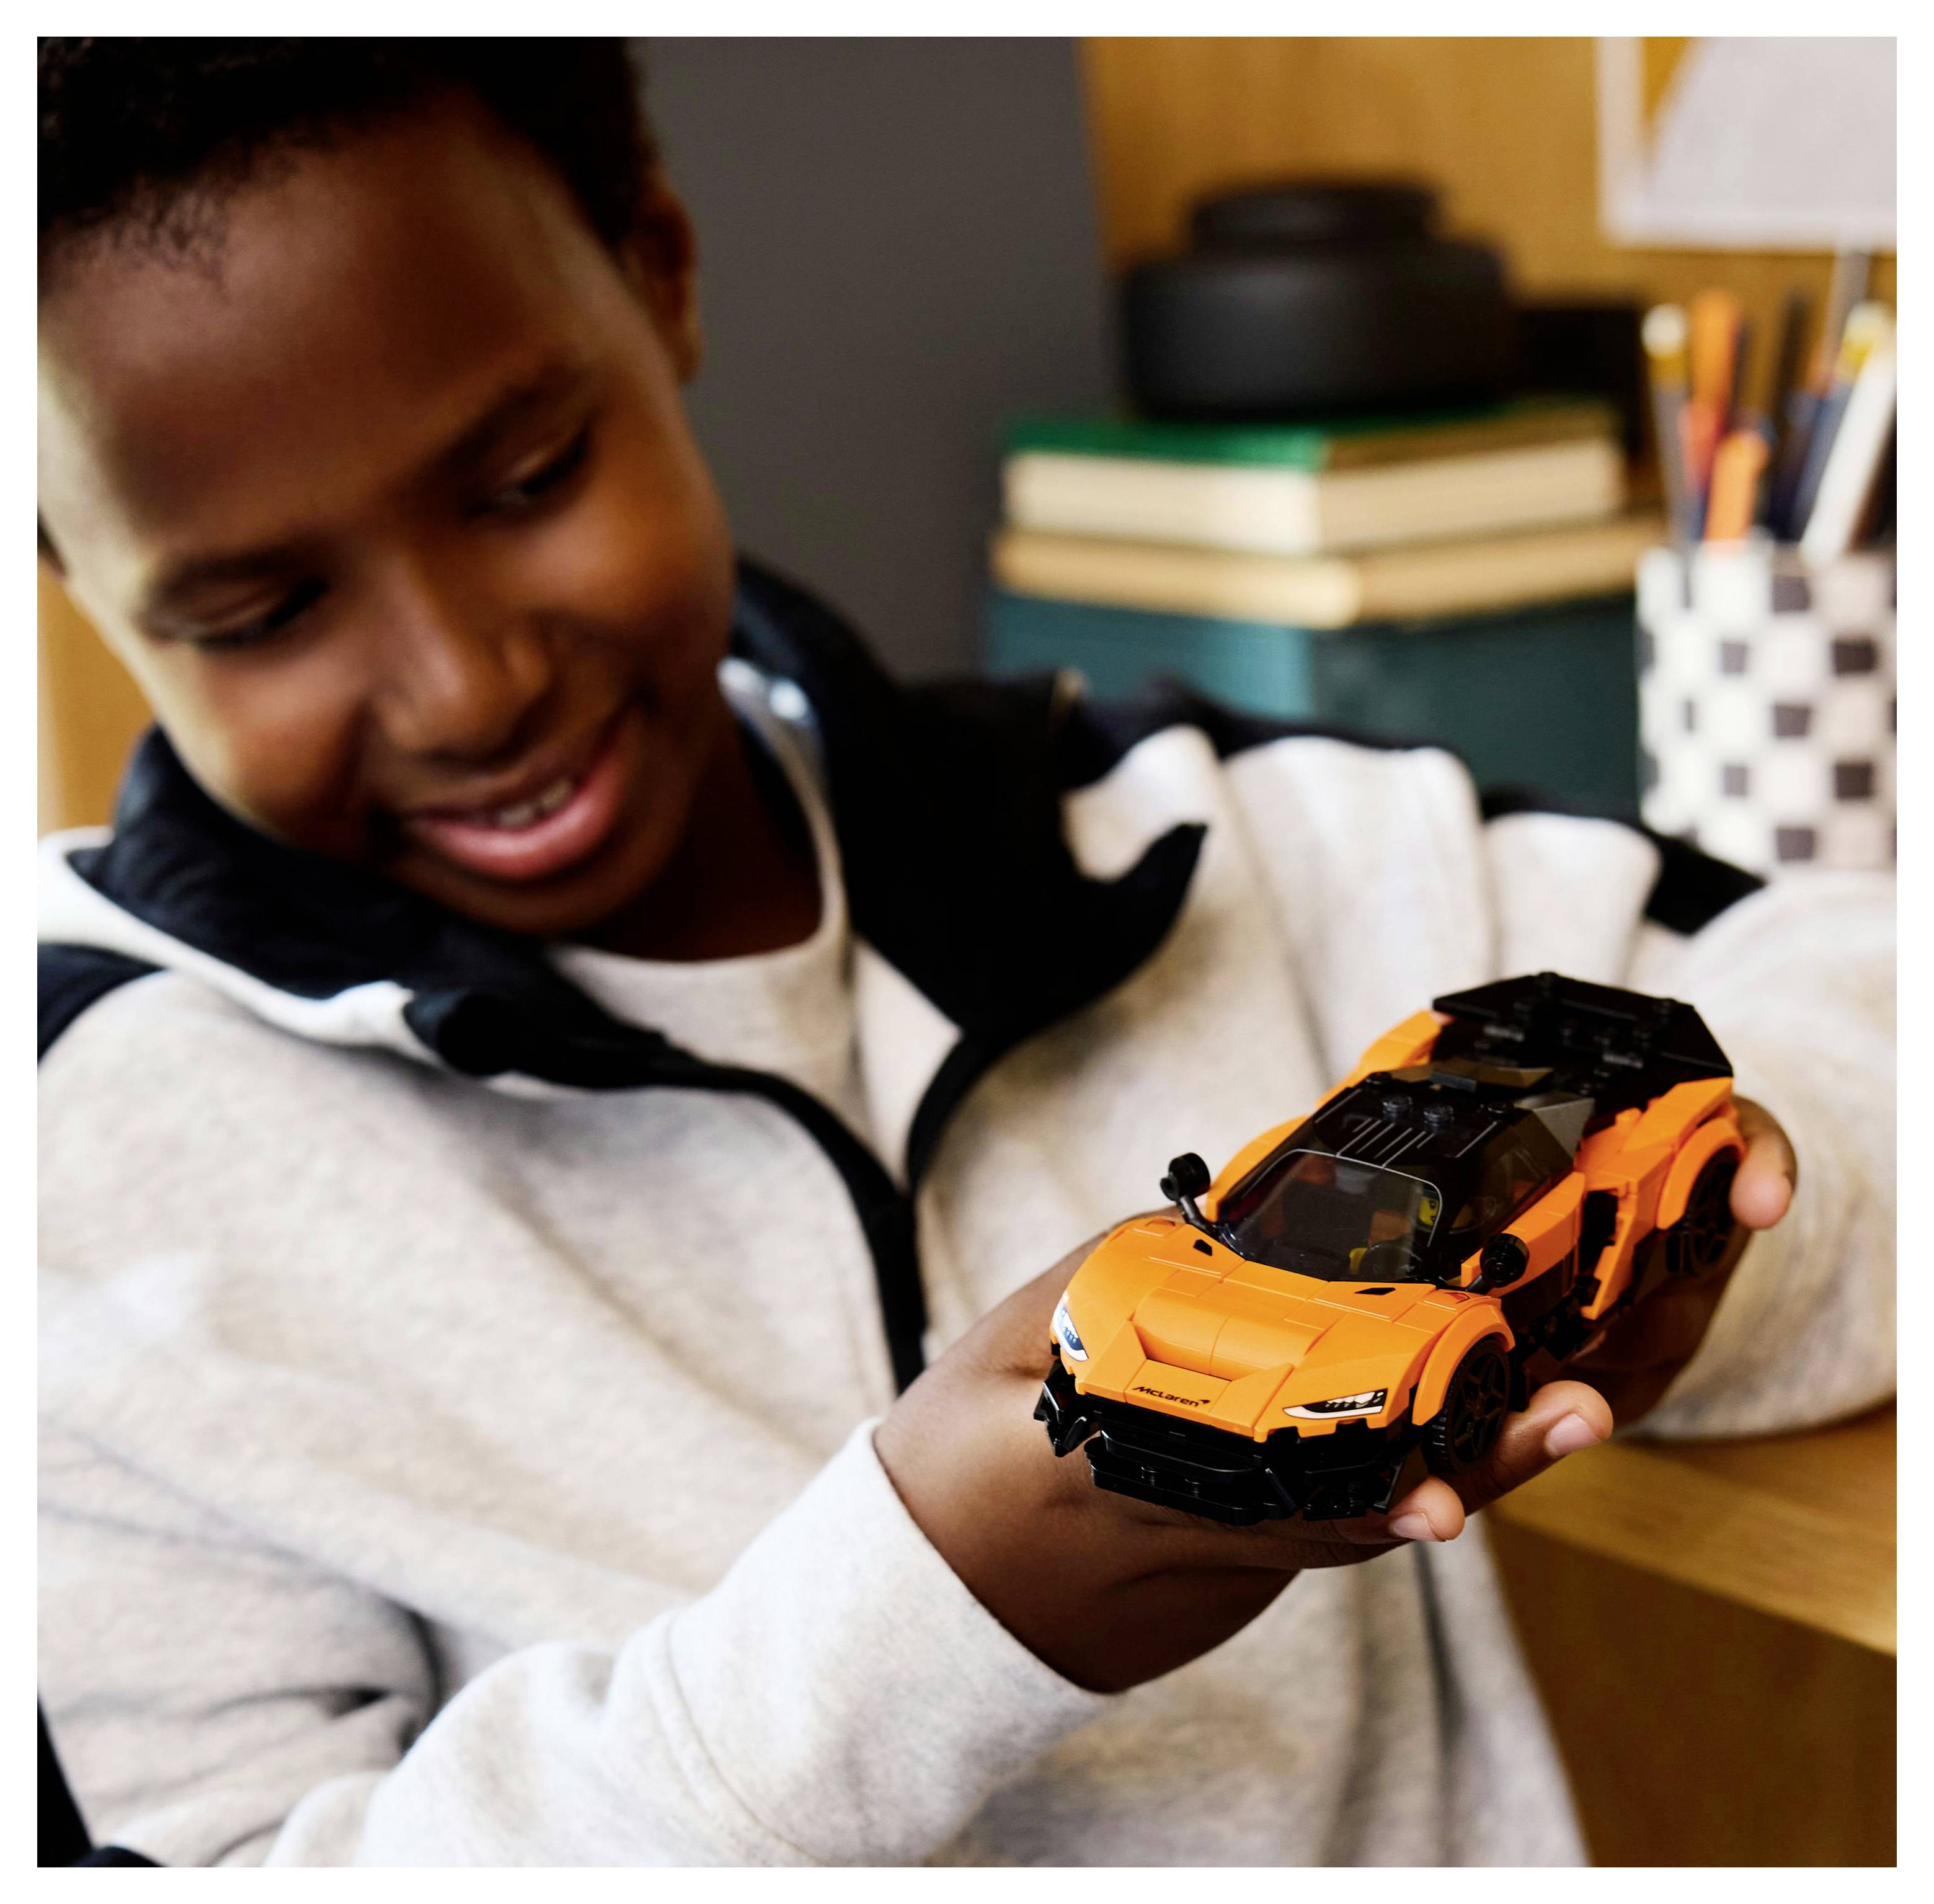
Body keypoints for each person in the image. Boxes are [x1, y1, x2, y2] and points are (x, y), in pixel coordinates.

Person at [36, 40, 1893, 1867]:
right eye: (263, 611)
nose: (468, 685)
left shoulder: (1216, 826)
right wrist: (916, 1632)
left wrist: (1738, 1269)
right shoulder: (72, 1190)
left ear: (658, 271)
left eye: (526, 478)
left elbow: (1872, 982)